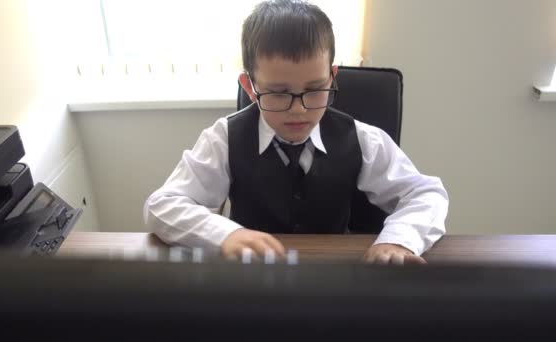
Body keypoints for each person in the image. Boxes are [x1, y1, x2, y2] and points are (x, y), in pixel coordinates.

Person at [144, 0, 448, 264]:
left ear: (331, 76)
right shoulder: (223, 139)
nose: (299, 110)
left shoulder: (362, 139)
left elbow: (426, 194)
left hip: (335, 280)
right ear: (250, 87)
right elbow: (162, 206)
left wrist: (398, 239)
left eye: (315, 90)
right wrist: (226, 234)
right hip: (251, 279)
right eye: (278, 93)